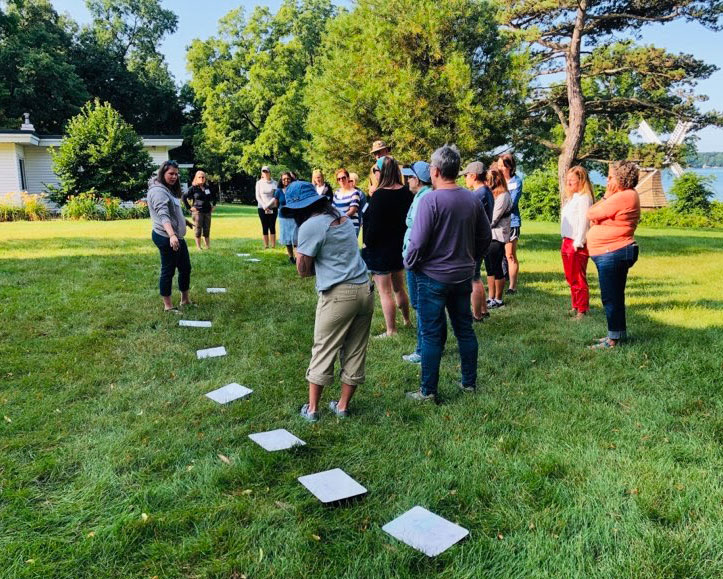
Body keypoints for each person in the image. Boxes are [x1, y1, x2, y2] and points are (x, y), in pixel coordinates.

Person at [404, 145, 491, 401]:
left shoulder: (430, 199)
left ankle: (428, 391)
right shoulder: (471, 199)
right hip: (462, 275)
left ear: (436, 170)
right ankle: (469, 384)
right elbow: (485, 236)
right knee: (464, 329)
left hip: (432, 276)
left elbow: (417, 243)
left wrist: (409, 262)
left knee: (431, 333)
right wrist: (472, 258)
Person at [283, 180, 374, 422]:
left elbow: (303, 269)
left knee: (323, 349)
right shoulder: (340, 215)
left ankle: (312, 410)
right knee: (355, 351)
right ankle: (342, 406)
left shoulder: (310, 225)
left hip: (338, 295)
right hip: (364, 289)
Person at [587, 161, 641, 349]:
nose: (607, 180)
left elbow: (591, 213)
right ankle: (617, 334)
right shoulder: (624, 195)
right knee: (614, 296)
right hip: (612, 251)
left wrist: (606, 196)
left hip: (614, 251)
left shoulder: (623, 196)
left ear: (621, 178)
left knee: (611, 297)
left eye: (610, 177)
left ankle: (613, 341)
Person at [362, 156, 414, 337]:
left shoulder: (379, 196)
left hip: (380, 250)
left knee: (385, 292)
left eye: (375, 171)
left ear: (380, 172)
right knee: (399, 287)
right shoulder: (407, 193)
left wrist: (367, 242)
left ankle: (391, 330)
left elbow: (373, 227)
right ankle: (407, 320)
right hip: (399, 248)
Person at [147, 161, 193, 313]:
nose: (174, 177)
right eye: (171, 174)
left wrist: (183, 221)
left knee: (185, 267)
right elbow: (163, 216)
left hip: (176, 235)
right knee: (168, 270)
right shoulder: (158, 192)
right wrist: (172, 235)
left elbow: (173, 211)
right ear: (162, 173)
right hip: (166, 236)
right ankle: (168, 306)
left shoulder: (168, 189)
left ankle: (185, 300)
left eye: (176, 173)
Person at [401, 161, 434, 364]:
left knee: (422, 305)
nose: (407, 181)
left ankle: (423, 350)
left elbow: (422, 232)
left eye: (409, 177)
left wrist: (411, 259)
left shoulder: (425, 198)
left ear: (418, 179)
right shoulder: (420, 197)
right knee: (420, 305)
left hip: (418, 260)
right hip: (414, 257)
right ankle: (425, 347)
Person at [461, 161, 494, 321]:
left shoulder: (477, 195)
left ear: (474, 176)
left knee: (473, 278)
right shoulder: (487, 191)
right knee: (477, 277)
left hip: (475, 241)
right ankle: (483, 310)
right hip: (483, 239)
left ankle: (476, 315)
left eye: (466, 175)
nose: (465, 178)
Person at [561, 166, 594, 320]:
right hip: (567, 240)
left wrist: (578, 242)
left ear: (581, 180)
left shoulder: (584, 198)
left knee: (578, 277)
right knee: (570, 277)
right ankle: (575, 305)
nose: (568, 183)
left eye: (571, 180)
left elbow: (583, 222)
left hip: (576, 242)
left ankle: (582, 309)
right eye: (567, 180)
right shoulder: (573, 197)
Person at [484, 168, 512, 310]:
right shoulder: (492, 195)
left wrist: (480, 228)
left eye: (488, 180)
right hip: (489, 235)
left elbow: (493, 219)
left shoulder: (503, 196)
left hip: (498, 235)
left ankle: (499, 299)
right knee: (489, 268)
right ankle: (491, 297)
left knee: (496, 267)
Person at [497, 153, 523, 294]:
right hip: (497, 222)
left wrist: (497, 208)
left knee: (510, 255)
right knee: (497, 254)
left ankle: (512, 286)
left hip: (511, 222)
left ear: (510, 167)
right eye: (499, 165)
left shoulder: (516, 182)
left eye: (503, 166)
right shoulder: (496, 180)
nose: (500, 169)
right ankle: (500, 280)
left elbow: (511, 204)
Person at [182, 170, 217, 250]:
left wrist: (213, 205)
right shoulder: (193, 188)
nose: (201, 178)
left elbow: (214, 196)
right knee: (198, 229)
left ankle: (208, 246)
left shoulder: (207, 188)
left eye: (203, 177)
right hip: (197, 212)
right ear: (196, 178)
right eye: (199, 177)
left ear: (205, 178)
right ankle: (199, 247)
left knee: (207, 229)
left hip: (207, 211)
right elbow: (183, 197)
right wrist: (189, 207)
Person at [275, 172, 299, 264]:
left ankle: (297, 257)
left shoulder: (295, 189)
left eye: (288, 178)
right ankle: (291, 257)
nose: (286, 180)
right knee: (287, 238)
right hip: (283, 218)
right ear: (281, 180)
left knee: (296, 238)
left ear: (291, 179)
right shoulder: (278, 191)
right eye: (284, 179)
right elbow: (277, 204)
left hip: (294, 217)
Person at [333, 168, 362, 235]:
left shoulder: (355, 192)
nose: (341, 180)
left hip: (351, 226)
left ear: (348, 178)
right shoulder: (336, 193)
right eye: (339, 179)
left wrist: (340, 219)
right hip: (339, 227)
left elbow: (352, 210)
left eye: (343, 178)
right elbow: (333, 209)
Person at [255, 166, 278, 248]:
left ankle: (273, 245)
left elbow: (275, 196)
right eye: (263, 172)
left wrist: (268, 205)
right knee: (264, 226)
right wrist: (264, 206)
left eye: (266, 171)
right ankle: (266, 245)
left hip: (272, 207)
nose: (265, 173)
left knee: (272, 225)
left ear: (269, 172)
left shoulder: (274, 183)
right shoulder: (259, 183)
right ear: (261, 173)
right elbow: (257, 196)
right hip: (262, 208)